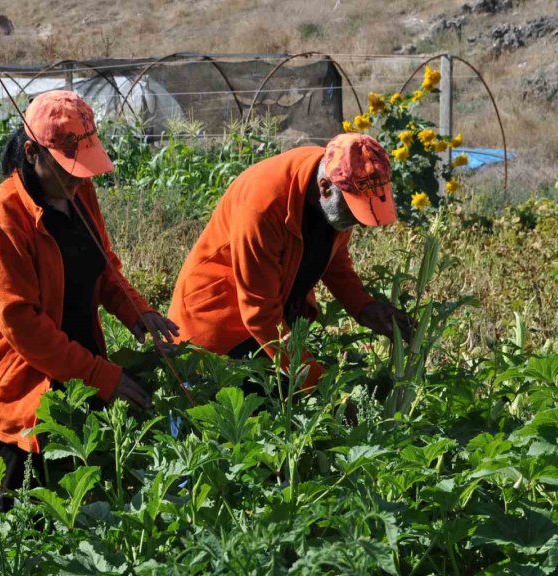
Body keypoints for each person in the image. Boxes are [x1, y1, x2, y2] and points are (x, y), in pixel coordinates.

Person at [0, 90, 178, 511]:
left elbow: (104, 268)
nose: (80, 178)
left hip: (78, 374)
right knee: (27, 524)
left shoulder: (81, 194)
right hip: (24, 392)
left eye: (83, 166)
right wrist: (102, 376)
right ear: (32, 153)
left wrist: (137, 312)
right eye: (67, 168)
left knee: (83, 509)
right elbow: (23, 325)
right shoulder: (1, 218)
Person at [168, 133, 414, 389]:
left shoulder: (341, 176)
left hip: (269, 324)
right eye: (353, 210)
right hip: (218, 328)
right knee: (262, 412)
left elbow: (333, 256)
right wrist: (320, 387)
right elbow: (259, 314)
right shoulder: (262, 205)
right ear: (325, 188)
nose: (358, 221)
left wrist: (363, 307)